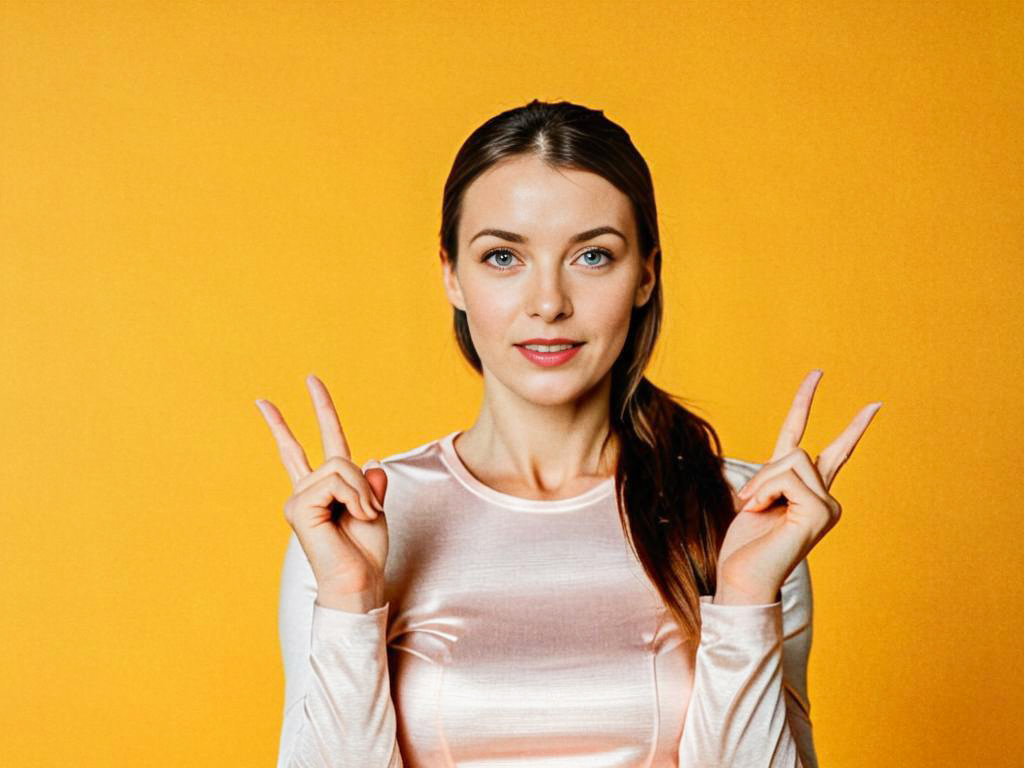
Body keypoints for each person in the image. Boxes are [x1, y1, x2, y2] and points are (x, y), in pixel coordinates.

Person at [256, 99, 881, 767]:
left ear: (645, 273)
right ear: (451, 275)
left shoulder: (747, 516)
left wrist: (746, 595)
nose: (548, 302)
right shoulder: (359, 523)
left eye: (591, 256)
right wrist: (351, 602)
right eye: (503, 257)